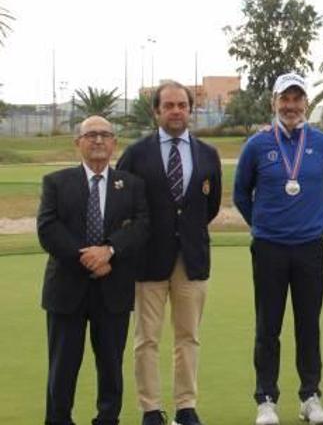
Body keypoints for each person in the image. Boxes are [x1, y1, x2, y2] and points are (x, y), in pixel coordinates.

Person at [234, 72, 323, 425]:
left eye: (297, 99)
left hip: (310, 247)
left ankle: (311, 397)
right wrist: (264, 225)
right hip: (269, 248)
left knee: (309, 324)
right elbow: (240, 194)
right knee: (269, 326)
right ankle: (266, 399)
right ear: (274, 103)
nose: (291, 106)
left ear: (305, 102)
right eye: (285, 99)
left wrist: (311, 219)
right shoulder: (257, 145)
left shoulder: (322, 144)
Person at [117, 81, 222, 425]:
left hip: (191, 259)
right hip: (148, 259)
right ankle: (150, 408)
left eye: (182, 105)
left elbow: (210, 206)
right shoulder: (136, 154)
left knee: (188, 336)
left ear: (190, 110)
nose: (176, 111)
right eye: (169, 105)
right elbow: (122, 204)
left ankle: (186, 406)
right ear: (157, 111)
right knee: (147, 338)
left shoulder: (207, 154)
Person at [38, 115, 149, 425]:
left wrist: (109, 251)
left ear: (114, 143)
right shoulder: (56, 183)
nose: (98, 140)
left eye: (105, 135)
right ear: (78, 143)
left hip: (113, 291)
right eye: (91, 135)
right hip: (66, 290)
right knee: (63, 366)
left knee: (111, 366)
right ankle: (59, 419)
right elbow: (47, 229)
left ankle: (107, 419)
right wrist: (88, 258)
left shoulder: (131, 185)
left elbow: (142, 227)